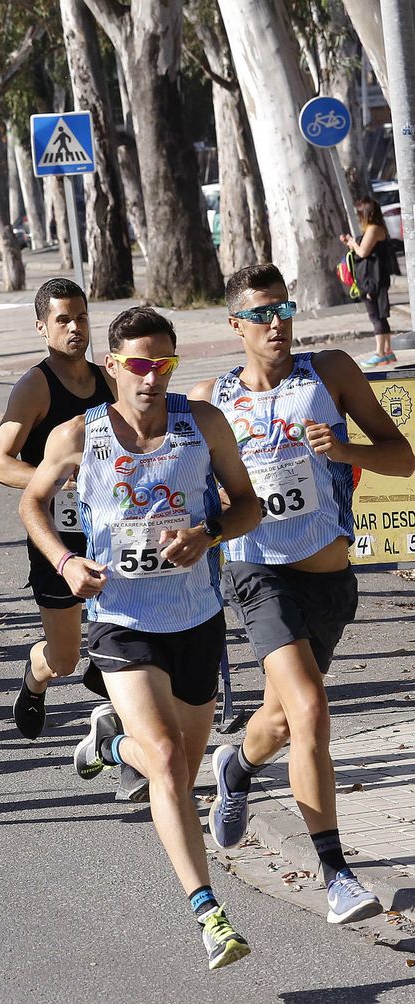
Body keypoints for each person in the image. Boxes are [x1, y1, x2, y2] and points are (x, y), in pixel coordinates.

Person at [21, 305, 261, 969]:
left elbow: (248, 505)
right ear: (113, 366)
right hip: (120, 619)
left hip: (195, 617)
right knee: (165, 758)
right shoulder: (80, 434)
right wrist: (66, 562)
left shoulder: (203, 424)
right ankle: (209, 914)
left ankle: (107, 742)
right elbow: (31, 502)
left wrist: (207, 534)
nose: (151, 377)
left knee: (177, 767)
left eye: (163, 364)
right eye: (138, 365)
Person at [193, 263, 415, 925]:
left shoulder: (331, 372)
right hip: (256, 573)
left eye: (283, 309)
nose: (277, 324)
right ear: (236, 325)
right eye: (261, 314)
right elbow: (181, 486)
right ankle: (336, 874)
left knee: (284, 720)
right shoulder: (211, 401)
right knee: (312, 709)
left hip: (329, 580)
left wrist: (345, 452)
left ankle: (236, 768)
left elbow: (402, 456)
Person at [0, 279, 129, 780]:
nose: (75, 328)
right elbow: (1, 463)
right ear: (41, 327)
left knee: (129, 634)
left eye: (81, 318)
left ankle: (123, 733)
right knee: (65, 658)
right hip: (56, 538)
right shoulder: (35, 386)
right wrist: (56, 478)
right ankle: (35, 676)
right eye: (63, 320)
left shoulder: (109, 379)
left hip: (110, 531)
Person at [340, 196, 400, 367]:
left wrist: (353, 242)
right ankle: (387, 351)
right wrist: (351, 243)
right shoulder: (378, 228)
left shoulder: (373, 229)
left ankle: (380, 352)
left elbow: (363, 252)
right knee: (380, 314)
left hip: (372, 280)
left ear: (366, 214)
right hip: (376, 277)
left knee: (376, 316)